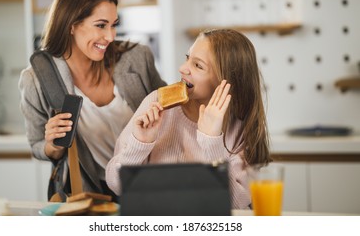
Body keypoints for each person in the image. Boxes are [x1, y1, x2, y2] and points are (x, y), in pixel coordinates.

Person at [18, 0, 166, 201]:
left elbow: (173, 117)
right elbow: (37, 146)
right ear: (71, 25)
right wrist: (53, 145)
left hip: (150, 188)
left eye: (114, 24)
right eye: (101, 25)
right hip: (92, 193)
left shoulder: (137, 58)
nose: (110, 36)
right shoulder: (36, 79)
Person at [106, 28, 271, 209]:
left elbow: (236, 204)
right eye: (187, 58)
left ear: (225, 81)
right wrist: (140, 143)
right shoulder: (157, 102)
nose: (183, 68)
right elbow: (116, 184)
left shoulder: (239, 126)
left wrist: (211, 141)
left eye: (198, 65)